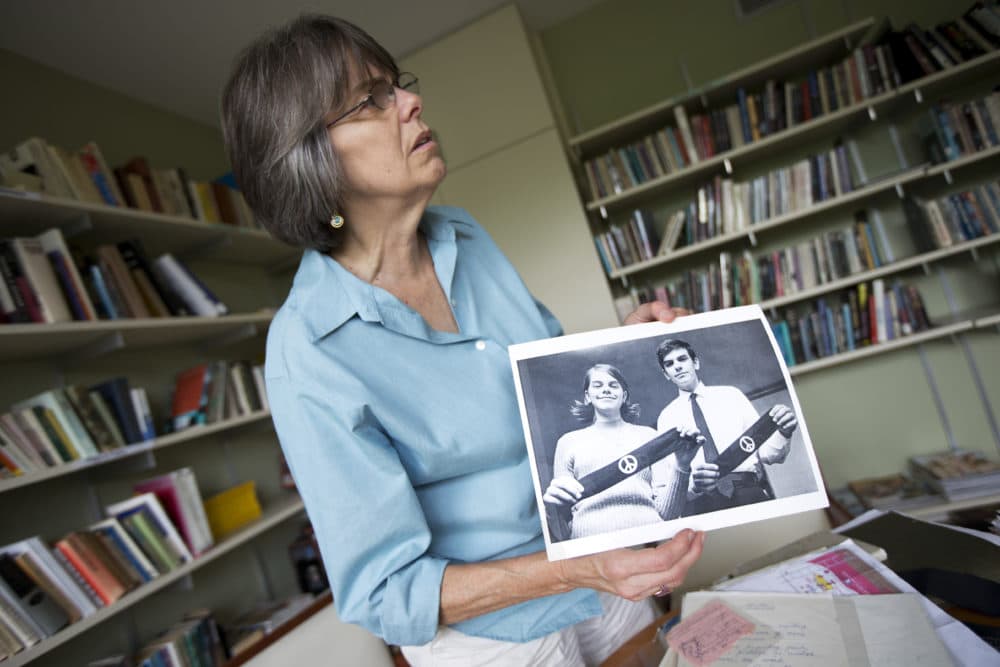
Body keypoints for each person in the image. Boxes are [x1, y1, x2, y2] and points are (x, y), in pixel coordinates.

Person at [220, 14, 704, 666]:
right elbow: (385, 592)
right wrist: (570, 569)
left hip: (602, 559)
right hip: (493, 638)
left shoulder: (465, 235)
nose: (412, 103)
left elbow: (550, 392)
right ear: (309, 157)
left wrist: (624, 351)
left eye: (398, 85)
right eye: (372, 99)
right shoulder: (308, 349)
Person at [543, 364, 701, 541]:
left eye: (613, 385)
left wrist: (682, 465)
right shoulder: (568, 442)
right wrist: (550, 509)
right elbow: (561, 529)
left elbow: (668, 515)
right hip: (592, 545)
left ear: (624, 396)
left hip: (650, 541)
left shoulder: (649, 436)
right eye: (598, 385)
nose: (606, 390)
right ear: (587, 396)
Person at [654, 338, 798, 515]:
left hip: (747, 491)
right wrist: (693, 487)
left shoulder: (731, 395)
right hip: (699, 504)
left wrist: (784, 432)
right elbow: (672, 476)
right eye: (669, 364)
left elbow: (767, 454)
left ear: (696, 363)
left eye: (682, 359)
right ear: (666, 374)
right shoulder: (666, 418)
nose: (677, 366)